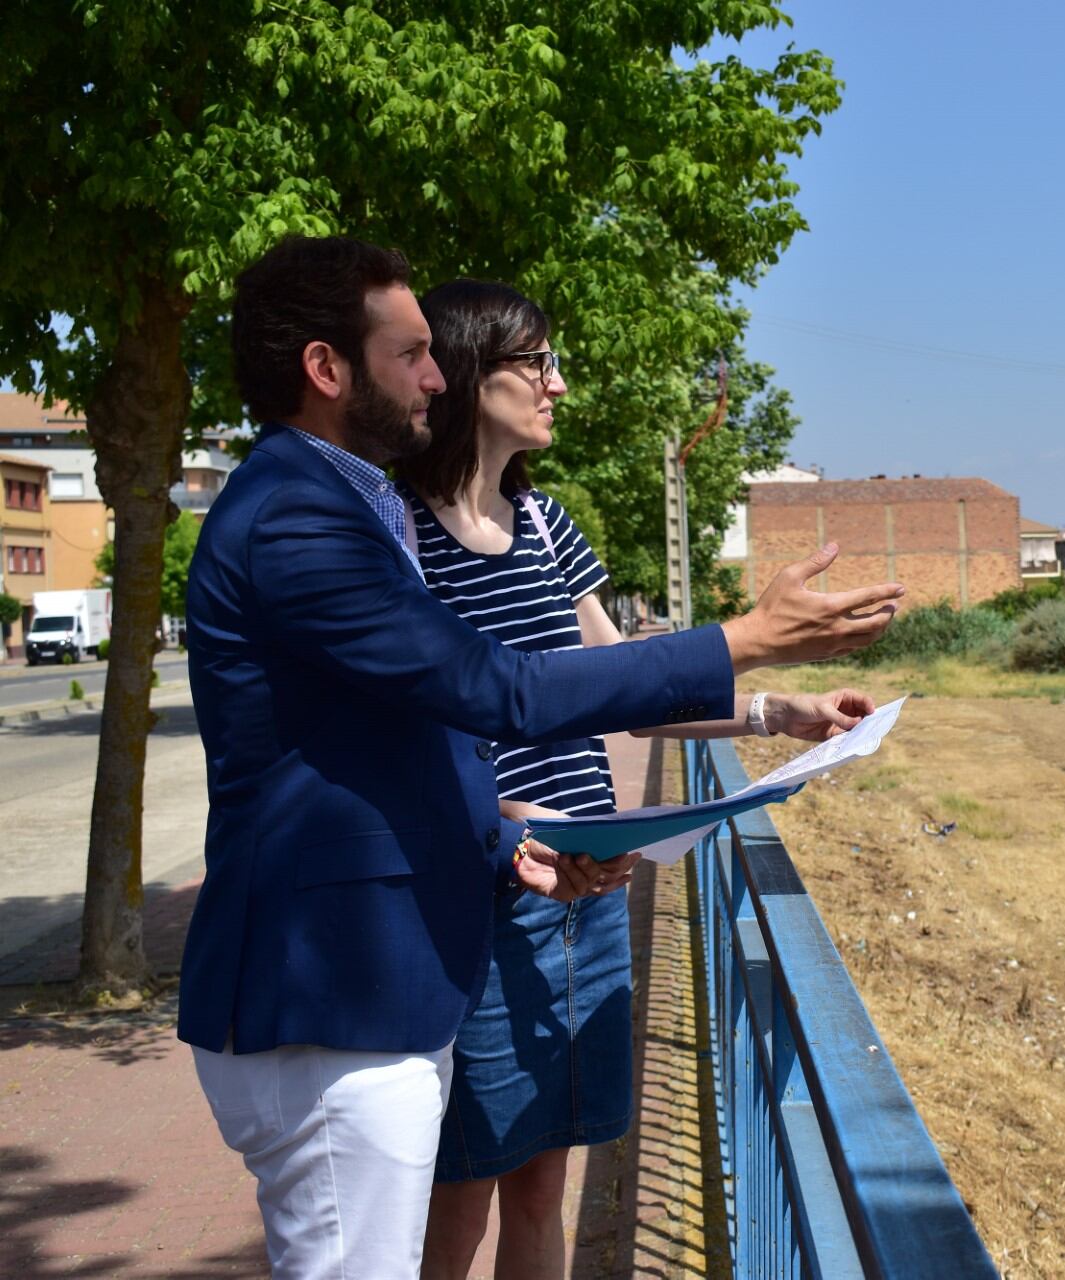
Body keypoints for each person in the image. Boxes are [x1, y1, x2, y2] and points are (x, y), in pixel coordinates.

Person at [179, 235, 902, 1277]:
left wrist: (508, 837)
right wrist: (746, 638)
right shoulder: (299, 517)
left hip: (393, 971)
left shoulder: (343, 502)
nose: (435, 376)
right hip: (335, 996)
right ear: (327, 369)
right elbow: (500, 692)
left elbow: (405, 739)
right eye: (411, 353)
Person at [392, 280, 872, 1278]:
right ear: (474, 369)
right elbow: (410, 740)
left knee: (543, 1183)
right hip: (485, 893)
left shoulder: (549, 523)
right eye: (540, 363)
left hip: (591, 888)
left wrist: (776, 713)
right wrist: (507, 815)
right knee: (463, 1190)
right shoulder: (399, 538)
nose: (560, 384)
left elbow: (619, 683)